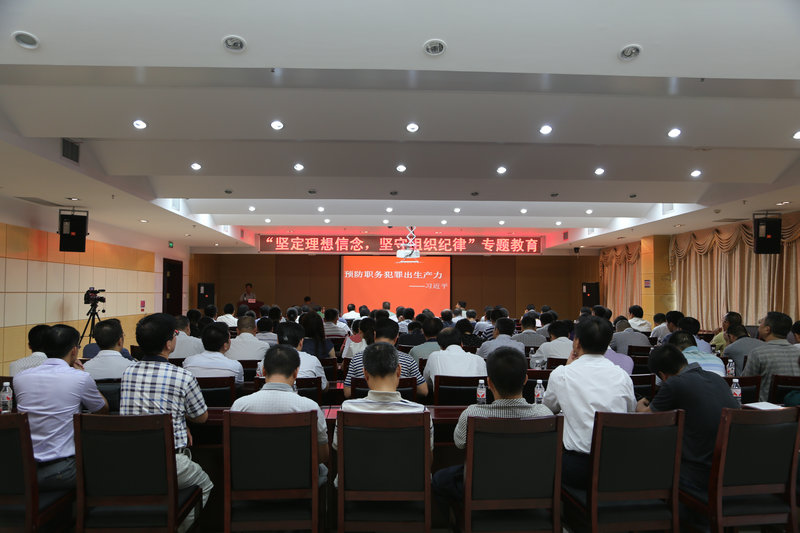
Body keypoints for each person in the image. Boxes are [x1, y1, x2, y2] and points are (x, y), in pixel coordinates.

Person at [120, 313, 213, 531]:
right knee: (205, 485)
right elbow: (202, 417)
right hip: (169, 462)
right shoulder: (183, 376)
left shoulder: (128, 372)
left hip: (129, 460)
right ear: (169, 344)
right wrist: (181, 417)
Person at [432, 347, 552, 510]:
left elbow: (459, 443)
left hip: (482, 487)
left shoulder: (472, 413)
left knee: (440, 479)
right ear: (525, 380)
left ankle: (460, 517)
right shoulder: (544, 414)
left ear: (488, 383)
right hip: (531, 486)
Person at [543, 316, 636, 489]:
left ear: (576, 342)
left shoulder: (562, 374)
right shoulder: (622, 375)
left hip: (579, 468)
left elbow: (548, 409)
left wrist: (567, 367)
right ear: (608, 343)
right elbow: (630, 412)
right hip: (617, 466)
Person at [14, 324, 108, 490]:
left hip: (23, 470)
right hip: (63, 471)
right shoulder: (79, 378)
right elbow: (102, 410)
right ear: (74, 350)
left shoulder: (20, 378)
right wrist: (81, 373)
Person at [636, 344, 738, 493]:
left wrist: (639, 405)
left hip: (699, 475)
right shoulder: (717, 378)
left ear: (662, 375)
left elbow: (647, 419)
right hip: (731, 470)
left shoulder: (674, 383)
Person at [231, 344, 330, 484]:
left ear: (263, 371)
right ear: (296, 373)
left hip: (251, 481)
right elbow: (323, 455)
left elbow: (235, 452)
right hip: (298, 482)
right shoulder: (310, 407)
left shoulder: (240, 406)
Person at [334, 342, 432, 451]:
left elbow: (339, 451)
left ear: (365, 374)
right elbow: (428, 457)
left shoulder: (346, 409)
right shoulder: (421, 412)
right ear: (399, 371)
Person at [344, 318, 427, 399]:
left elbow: (347, 392)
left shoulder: (357, 359)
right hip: (400, 407)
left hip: (364, 407)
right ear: (396, 338)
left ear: (374, 335)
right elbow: (424, 391)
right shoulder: (408, 360)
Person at [743, 311, 800, 401]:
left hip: (765, 408)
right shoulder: (798, 352)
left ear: (767, 329)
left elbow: (746, 383)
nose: (759, 325)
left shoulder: (758, 353)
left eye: (761, 322)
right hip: (794, 407)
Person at [256, 322, 328, 391]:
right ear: (301, 342)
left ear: (277, 341)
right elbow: (323, 387)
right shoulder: (313, 361)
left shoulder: (264, 362)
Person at [423, 328, 487, 388]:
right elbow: (484, 386)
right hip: (474, 396)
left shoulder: (434, 357)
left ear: (441, 347)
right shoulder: (479, 360)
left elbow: (426, 382)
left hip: (442, 396)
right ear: (462, 344)